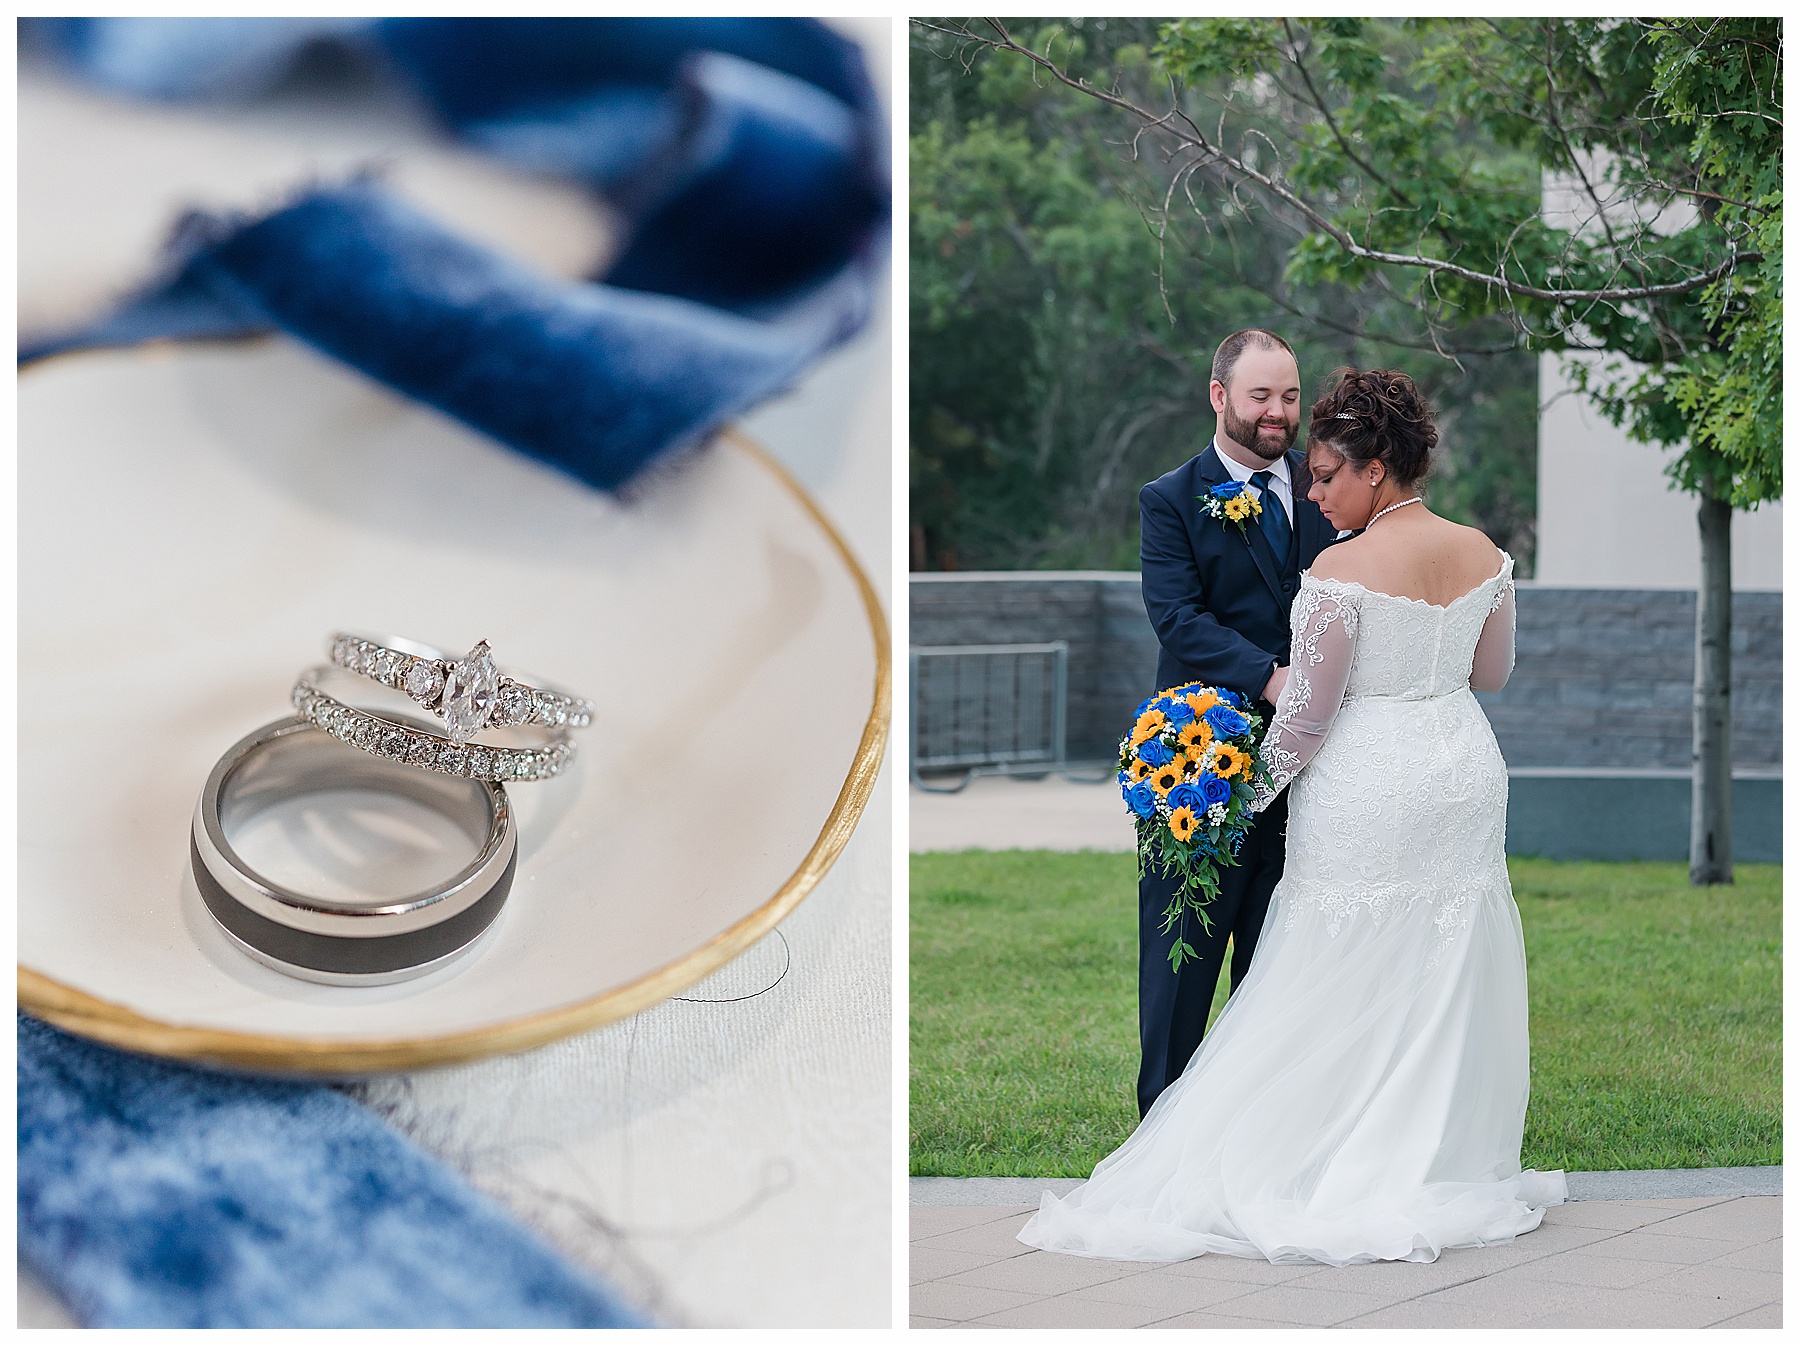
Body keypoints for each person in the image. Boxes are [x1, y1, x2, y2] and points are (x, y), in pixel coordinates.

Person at [1019, 367, 1565, 1266]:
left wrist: (1237, 801)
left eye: (1326, 475)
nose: (1313, 491)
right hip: (1463, 770)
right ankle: (1428, 1154)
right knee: (1441, 952)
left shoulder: (1340, 570)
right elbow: (1494, 675)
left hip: (1367, 778)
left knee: (1333, 955)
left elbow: (1306, 719)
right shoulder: (1485, 554)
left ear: (1376, 470)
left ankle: (1321, 1156)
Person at [1132, 329, 1339, 1119]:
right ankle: (1158, 1135)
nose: (1278, 413)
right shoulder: (1170, 499)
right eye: (1261, 396)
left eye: (1290, 396)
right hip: (1198, 769)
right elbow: (1177, 619)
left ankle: (1256, 1140)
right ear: (1219, 396)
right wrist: (1272, 675)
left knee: (1274, 963)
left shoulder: (1328, 491)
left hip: (1308, 771)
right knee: (1180, 969)